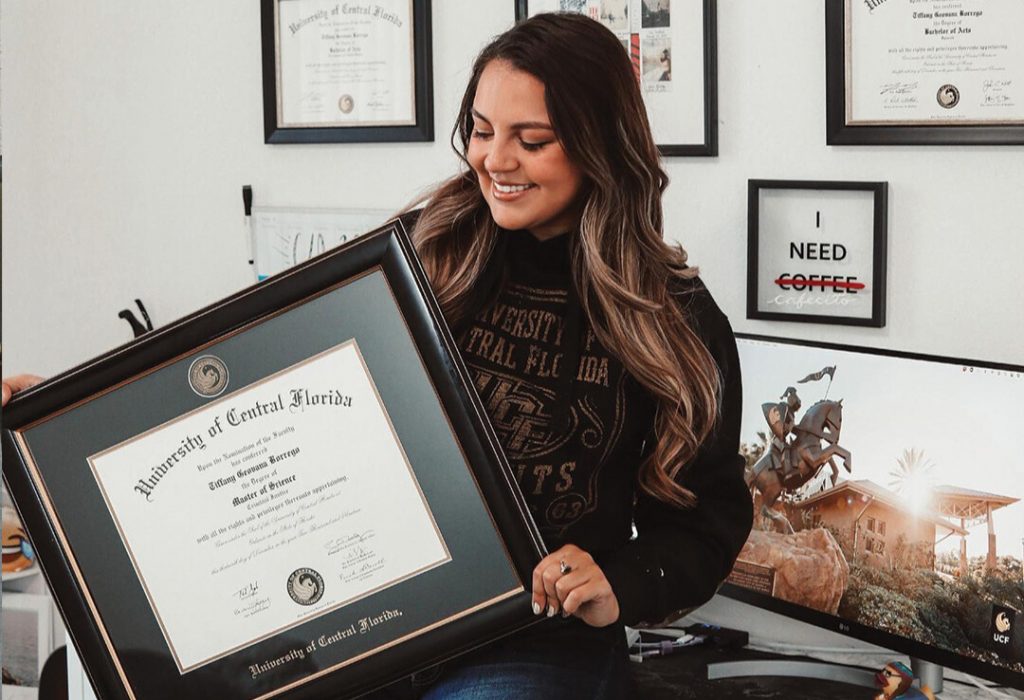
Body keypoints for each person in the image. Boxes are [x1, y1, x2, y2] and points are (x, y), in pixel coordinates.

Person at [4, 13, 753, 699]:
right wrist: (69, 416)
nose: (495, 160)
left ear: (599, 145)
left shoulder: (672, 317)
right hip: (364, 614)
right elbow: (256, 395)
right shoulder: (426, 249)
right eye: (482, 130)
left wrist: (618, 581)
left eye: (532, 140)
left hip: (530, 639)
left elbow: (708, 520)